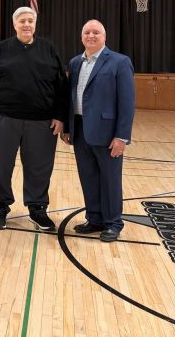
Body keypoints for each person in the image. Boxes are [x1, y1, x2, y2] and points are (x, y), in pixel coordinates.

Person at [0, 6, 67, 232]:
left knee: (39, 166)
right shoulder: (1, 49)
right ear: (14, 24)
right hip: (4, 118)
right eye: (22, 21)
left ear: (35, 24)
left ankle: (37, 207)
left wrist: (60, 116)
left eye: (30, 20)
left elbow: (61, 85)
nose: (26, 24)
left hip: (42, 121)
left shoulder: (49, 49)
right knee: (1, 165)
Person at [62, 19, 135, 243]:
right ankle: (94, 219)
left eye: (96, 32)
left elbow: (127, 102)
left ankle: (113, 223)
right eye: (87, 32)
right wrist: (68, 127)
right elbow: (70, 98)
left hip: (107, 133)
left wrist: (121, 136)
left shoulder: (120, 62)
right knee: (88, 177)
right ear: (81, 37)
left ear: (104, 37)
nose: (91, 36)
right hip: (80, 130)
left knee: (110, 179)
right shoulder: (75, 62)